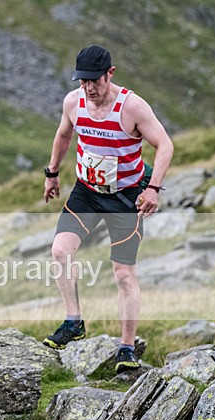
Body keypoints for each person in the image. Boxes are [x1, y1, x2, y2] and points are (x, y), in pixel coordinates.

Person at [42, 45, 173, 373]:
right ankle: (74, 322)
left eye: (94, 81)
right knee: (60, 251)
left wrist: (153, 189)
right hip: (87, 192)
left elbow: (165, 145)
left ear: (109, 74)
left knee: (123, 273)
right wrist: (52, 174)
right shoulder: (74, 102)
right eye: (82, 80)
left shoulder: (132, 107)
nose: (88, 87)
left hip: (125, 197)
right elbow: (63, 135)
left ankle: (127, 347)